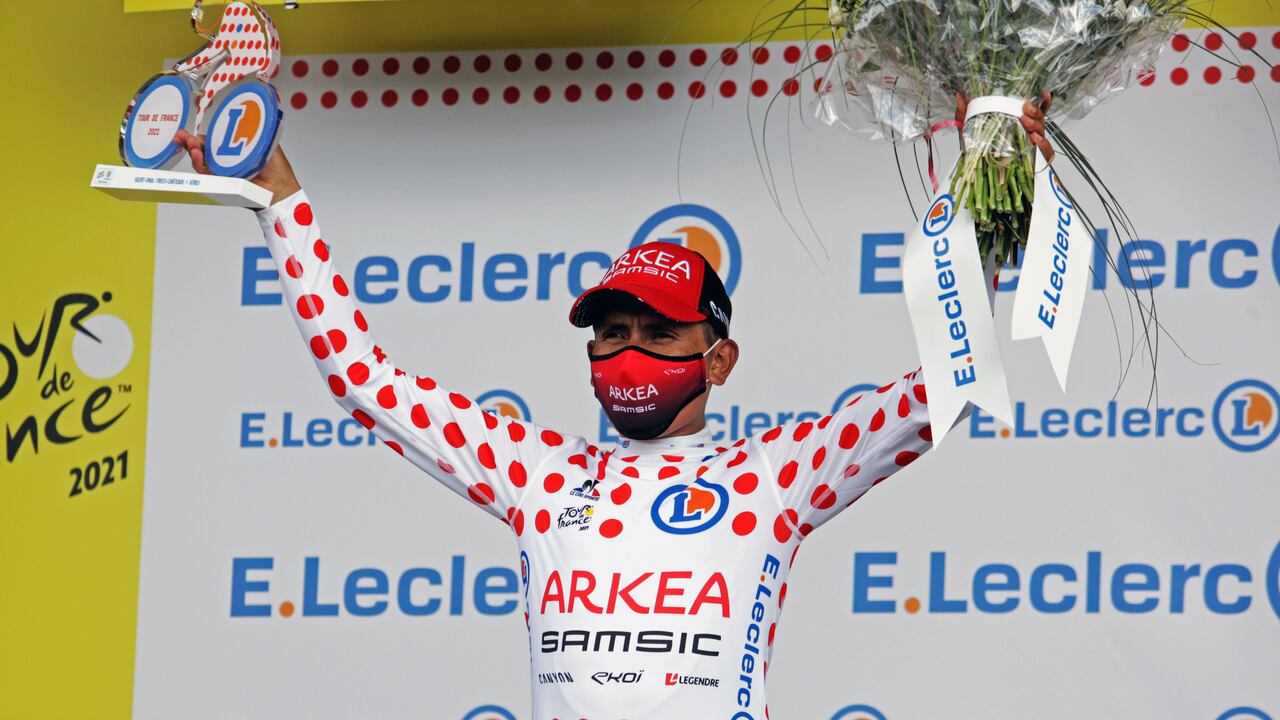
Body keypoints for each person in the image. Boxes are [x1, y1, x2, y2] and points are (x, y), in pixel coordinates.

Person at [173, 93, 1053, 719]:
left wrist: (998, 208)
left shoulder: (772, 476)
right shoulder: (539, 473)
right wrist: (274, 189)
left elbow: (941, 387)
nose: (626, 352)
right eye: (609, 332)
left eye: (658, 334)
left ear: (719, 360)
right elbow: (361, 376)